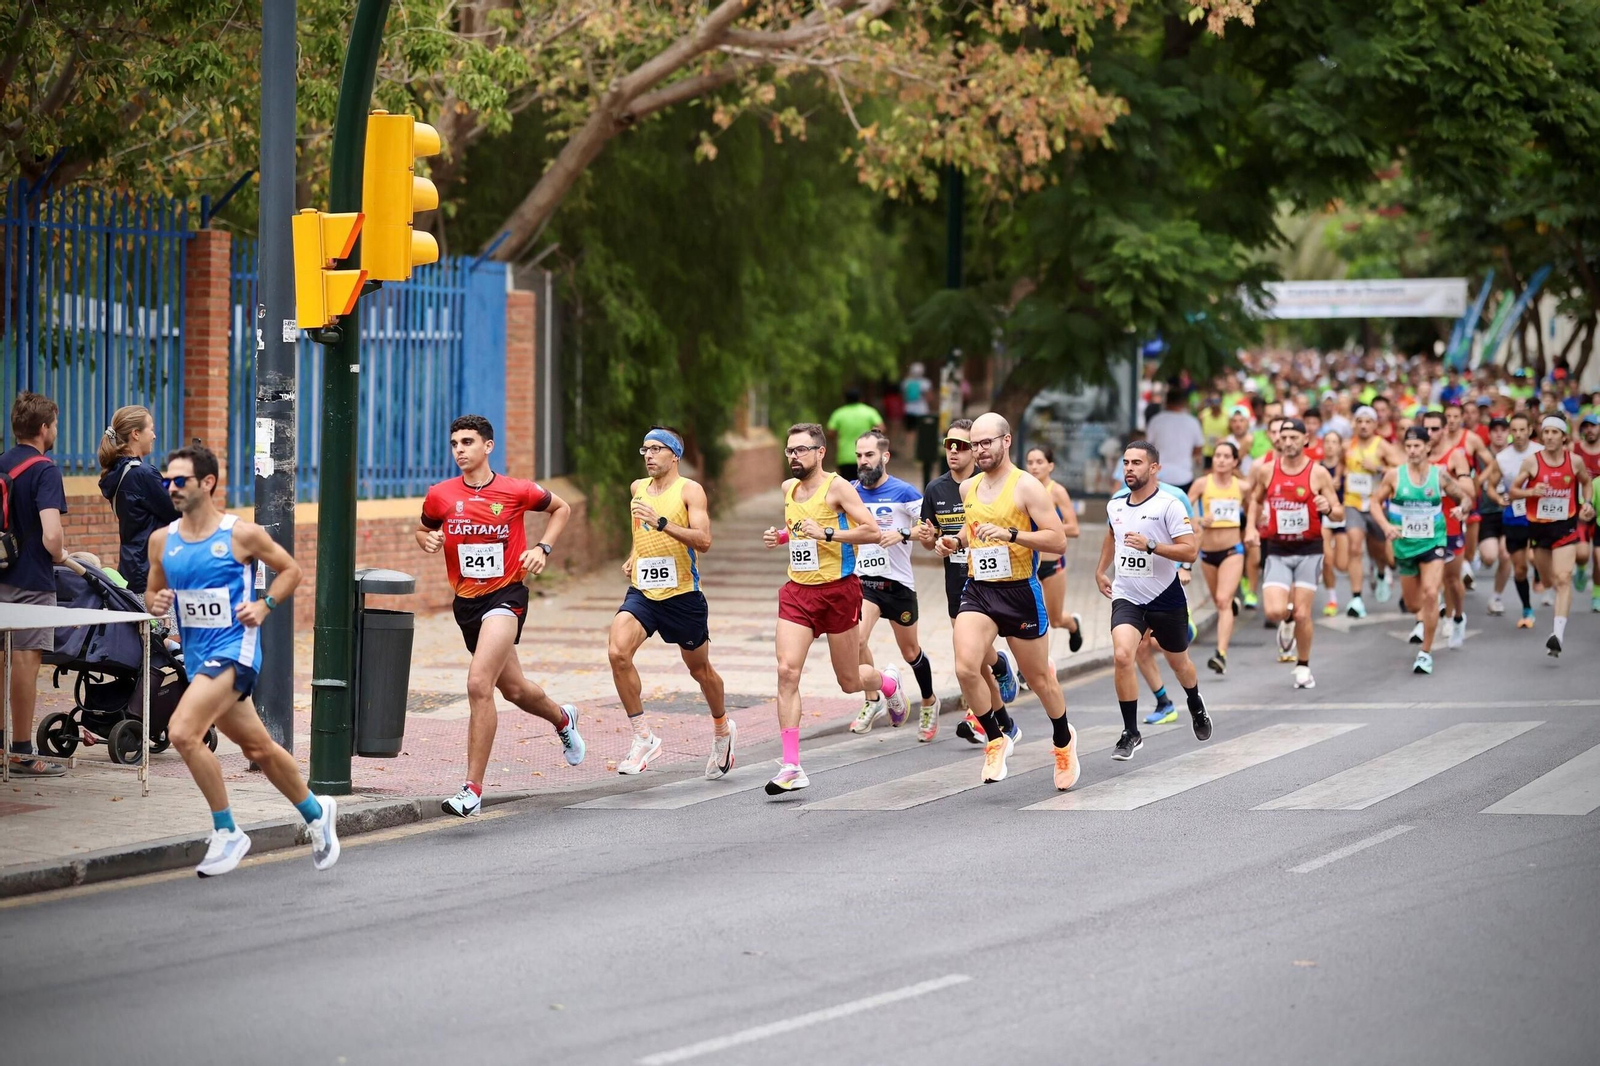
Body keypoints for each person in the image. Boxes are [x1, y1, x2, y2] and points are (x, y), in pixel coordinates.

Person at [145, 444, 339, 876]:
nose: (171, 488)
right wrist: (155, 601)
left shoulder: (240, 535)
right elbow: (152, 592)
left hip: (235, 650)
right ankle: (315, 812)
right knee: (259, 748)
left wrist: (266, 603)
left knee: (182, 731)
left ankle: (227, 830)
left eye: (180, 481)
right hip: (198, 658)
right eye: (166, 481)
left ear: (207, 483)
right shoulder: (163, 541)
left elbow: (291, 570)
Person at [417, 415, 586, 817]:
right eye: (455, 443)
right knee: (514, 690)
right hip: (466, 603)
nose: (459, 450)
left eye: (468, 442)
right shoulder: (440, 495)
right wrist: (430, 540)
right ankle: (563, 718)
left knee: (479, 684)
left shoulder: (516, 490)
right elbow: (423, 529)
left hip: (506, 597)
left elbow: (560, 509)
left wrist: (542, 548)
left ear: (488, 446)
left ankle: (472, 791)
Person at [936, 413, 1079, 788]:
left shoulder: (1027, 487)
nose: (979, 450)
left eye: (986, 443)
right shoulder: (968, 489)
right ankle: (996, 738)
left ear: (1006, 441)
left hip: (1019, 591)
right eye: (973, 444)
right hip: (980, 588)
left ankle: (1064, 741)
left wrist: (1012, 534)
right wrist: (956, 542)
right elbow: (973, 530)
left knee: (1039, 678)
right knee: (966, 667)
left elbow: (1058, 540)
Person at [763, 423, 905, 794]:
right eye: (789, 451)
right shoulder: (788, 489)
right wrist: (782, 535)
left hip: (839, 591)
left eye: (801, 450)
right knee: (786, 671)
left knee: (849, 681)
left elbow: (872, 532)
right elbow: (799, 527)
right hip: (798, 591)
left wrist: (827, 534)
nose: (794, 457)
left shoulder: (838, 487)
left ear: (820, 452)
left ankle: (888, 683)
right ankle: (792, 765)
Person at [609, 427, 731, 777]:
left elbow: (703, 540)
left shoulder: (690, 490)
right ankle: (643, 736)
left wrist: (662, 522)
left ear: (674, 455)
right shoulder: (637, 488)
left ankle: (722, 729)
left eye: (656, 449)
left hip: (683, 595)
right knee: (618, 652)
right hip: (643, 592)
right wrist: (635, 555)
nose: (648, 455)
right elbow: (640, 530)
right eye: (644, 449)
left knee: (700, 671)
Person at [1096, 441, 1213, 760]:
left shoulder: (1170, 505)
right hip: (1128, 596)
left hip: (1165, 596)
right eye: (1125, 462)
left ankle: (1194, 702)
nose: (1129, 468)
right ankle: (1130, 732)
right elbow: (1111, 535)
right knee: (1122, 655)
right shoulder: (1115, 505)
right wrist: (1100, 569)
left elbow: (1189, 550)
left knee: (1180, 663)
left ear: (1154, 468)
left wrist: (1152, 546)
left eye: (1136, 463)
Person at [917, 419, 1022, 744]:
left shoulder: (987, 485)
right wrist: (930, 539)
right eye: (949, 445)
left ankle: (993, 721)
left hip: (994, 582)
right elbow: (928, 538)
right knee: (974, 662)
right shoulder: (936, 489)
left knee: (973, 662)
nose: (953, 452)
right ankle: (1004, 717)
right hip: (957, 583)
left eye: (961, 446)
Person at [850, 431, 940, 740]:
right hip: (865, 582)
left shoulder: (904, 492)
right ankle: (875, 698)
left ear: (884, 457)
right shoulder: (850, 491)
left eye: (869, 455)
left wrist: (902, 534)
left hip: (899, 583)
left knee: (910, 651)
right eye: (859, 455)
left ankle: (928, 701)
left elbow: (929, 531)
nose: (863, 461)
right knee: (856, 641)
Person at [1244, 418, 1344, 688]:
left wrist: (1327, 507)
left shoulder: (1318, 473)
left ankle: (1303, 666)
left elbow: (1339, 511)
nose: (1287, 442)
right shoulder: (1267, 470)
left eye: (1293, 437)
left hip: (1309, 550)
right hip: (1277, 548)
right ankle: (1286, 619)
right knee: (1275, 611)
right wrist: (1252, 528)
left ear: (1305, 440)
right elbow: (1254, 499)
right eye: (1284, 437)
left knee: (1303, 613)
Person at [1369, 428, 1476, 675]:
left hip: (1433, 543)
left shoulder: (1439, 476)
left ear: (1428, 448)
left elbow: (1465, 497)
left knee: (1430, 593)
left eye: (1418, 446)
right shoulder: (1394, 476)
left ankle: (1425, 653)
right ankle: (1428, 616)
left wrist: (1463, 509)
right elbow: (1374, 502)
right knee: (1413, 603)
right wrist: (1386, 526)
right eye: (1409, 446)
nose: (1413, 451)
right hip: (1405, 546)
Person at [0, 393, 69, 777]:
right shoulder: (45, 470)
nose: (55, 431)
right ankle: (22, 751)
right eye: (54, 425)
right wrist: (58, 554)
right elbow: (51, 535)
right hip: (31, 580)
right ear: (43, 429)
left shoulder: (2, 465)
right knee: (26, 662)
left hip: (1, 577)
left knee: (0, 660)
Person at [1508, 416, 1596, 657]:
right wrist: (1530, 491)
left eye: (1554, 432)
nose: (1548, 437)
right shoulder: (1531, 462)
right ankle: (1556, 614)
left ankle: (1557, 634)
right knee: (1548, 582)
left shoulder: (1574, 461)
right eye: (1545, 432)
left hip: (1565, 526)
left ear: (1563, 436)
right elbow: (1513, 491)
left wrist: (1587, 502)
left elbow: (1586, 483)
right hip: (1538, 529)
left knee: (1563, 577)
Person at [97, 405, 180, 603]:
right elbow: (179, 513)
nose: (154, 436)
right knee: (163, 632)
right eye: (150, 429)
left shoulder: (120, 472)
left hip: (132, 566)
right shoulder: (142, 474)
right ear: (135, 433)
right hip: (151, 572)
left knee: (145, 633)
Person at [1188, 441, 1245, 674]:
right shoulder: (1202, 484)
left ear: (1235, 461)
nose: (1220, 460)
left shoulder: (1243, 487)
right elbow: (1183, 513)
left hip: (1233, 550)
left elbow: (1257, 508)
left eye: (1226, 456)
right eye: (1218, 456)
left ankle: (1221, 654)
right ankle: (1232, 603)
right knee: (1220, 600)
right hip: (1207, 553)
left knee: (1222, 600)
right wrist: (1199, 521)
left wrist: (1251, 528)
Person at [1339, 406, 1400, 618]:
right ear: (1354, 424)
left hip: (1377, 505)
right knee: (1355, 547)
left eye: (1368, 421)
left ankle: (1382, 572)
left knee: (1380, 550)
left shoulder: (1382, 445)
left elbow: (1400, 468)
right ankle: (1356, 598)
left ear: (1375, 425)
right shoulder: (1347, 445)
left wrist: (1378, 468)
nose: (1363, 425)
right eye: (1360, 421)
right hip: (1353, 502)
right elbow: (1339, 466)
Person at [1023, 445, 1084, 656]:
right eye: (1030, 462)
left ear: (1050, 465)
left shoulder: (1057, 491)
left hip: (1052, 563)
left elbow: (1074, 528)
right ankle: (1032, 666)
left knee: (1055, 619)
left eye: (1039, 462)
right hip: (1027, 563)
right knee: (1031, 619)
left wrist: (1046, 528)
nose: (1034, 467)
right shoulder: (1022, 488)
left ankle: (1073, 624)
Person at [1476, 417, 1512, 616]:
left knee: (1506, 554)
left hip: (1510, 512)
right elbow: (1476, 484)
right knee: (1490, 557)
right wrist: (1494, 465)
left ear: (1509, 433)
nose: (1499, 433)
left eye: (1503, 430)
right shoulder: (1482, 456)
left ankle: (1496, 596)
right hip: (1487, 512)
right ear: (1489, 434)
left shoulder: (1517, 455)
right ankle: (1480, 557)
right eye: (1495, 430)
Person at [1143, 386, 1207, 492]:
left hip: (1160, 476)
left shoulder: (1156, 421)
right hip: (1184, 476)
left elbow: (1147, 447)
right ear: (1184, 403)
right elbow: (1198, 448)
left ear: (1166, 401)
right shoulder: (1192, 422)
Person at [824, 389, 885, 483]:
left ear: (845, 399)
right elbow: (881, 428)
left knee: (847, 486)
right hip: (866, 455)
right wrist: (872, 437)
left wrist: (838, 438)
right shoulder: (869, 411)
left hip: (844, 456)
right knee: (866, 485)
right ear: (861, 399)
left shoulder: (839, 413)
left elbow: (830, 432)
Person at [1319, 431, 1348, 616]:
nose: (1330, 445)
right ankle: (1332, 598)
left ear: (1339, 446)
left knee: (1342, 564)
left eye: (1334, 442)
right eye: (1327, 442)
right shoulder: (1318, 469)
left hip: (1343, 516)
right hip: (1323, 517)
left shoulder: (1346, 469)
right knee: (1327, 561)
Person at [1572, 413, 1600, 599]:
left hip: (1599, 511)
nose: (1589, 430)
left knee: (1599, 559)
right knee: (1582, 554)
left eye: (1593, 426)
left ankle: (1597, 595)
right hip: (1579, 510)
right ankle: (1581, 568)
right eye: (1586, 426)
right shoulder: (1574, 450)